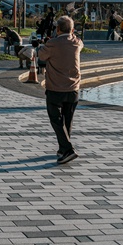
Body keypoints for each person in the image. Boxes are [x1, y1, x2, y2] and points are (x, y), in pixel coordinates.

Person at [37, 15, 83, 165]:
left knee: (56, 120)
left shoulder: (53, 43)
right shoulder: (77, 43)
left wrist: (43, 45)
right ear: (72, 30)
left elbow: (41, 55)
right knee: (67, 120)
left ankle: (68, 149)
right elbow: (74, 38)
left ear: (57, 29)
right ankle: (63, 149)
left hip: (55, 88)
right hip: (74, 89)